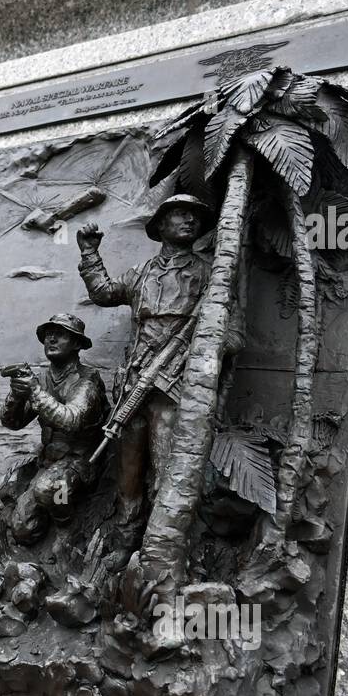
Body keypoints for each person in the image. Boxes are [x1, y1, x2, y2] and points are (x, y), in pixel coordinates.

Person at [75, 194, 215, 527]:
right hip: (136, 380)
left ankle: (161, 539)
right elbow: (104, 293)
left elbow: (233, 333)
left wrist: (193, 358)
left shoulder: (210, 274)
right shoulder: (142, 272)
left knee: (167, 466)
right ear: (161, 225)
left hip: (177, 386)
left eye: (194, 216)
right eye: (180, 214)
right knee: (129, 466)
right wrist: (89, 251)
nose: (189, 220)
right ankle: (126, 533)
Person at [0, 313, 108, 545]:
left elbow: (72, 420)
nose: (51, 340)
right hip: (48, 462)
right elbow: (12, 423)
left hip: (80, 463)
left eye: (60, 335)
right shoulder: (41, 379)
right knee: (22, 530)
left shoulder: (88, 381)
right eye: (48, 336)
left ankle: (66, 526)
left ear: (77, 344)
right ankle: (47, 509)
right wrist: (17, 396)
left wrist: (35, 392)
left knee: (49, 489)